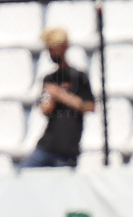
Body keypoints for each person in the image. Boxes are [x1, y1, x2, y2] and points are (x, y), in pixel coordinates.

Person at [22, 28, 95, 168]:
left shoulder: (78, 77)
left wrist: (62, 95)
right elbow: (45, 109)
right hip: (47, 145)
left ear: (65, 47)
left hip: (67, 147)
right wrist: (50, 97)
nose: (53, 53)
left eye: (55, 48)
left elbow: (89, 106)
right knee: (25, 173)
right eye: (50, 50)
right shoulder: (49, 78)